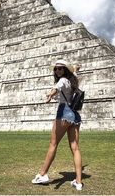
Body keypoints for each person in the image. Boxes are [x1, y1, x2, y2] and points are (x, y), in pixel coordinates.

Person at [32, 59, 83, 191]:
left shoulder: (62, 80)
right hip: (75, 114)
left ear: (65, 70)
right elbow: (75, 73)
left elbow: (56, 88)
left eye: (60, 68)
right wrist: (76, 69)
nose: (58, 70)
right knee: (75, 148)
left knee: (53, 144)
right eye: (56, 68)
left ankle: (42, 175)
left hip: (64, 113)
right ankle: (78, 182)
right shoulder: (73, 80)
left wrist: (50, 94)